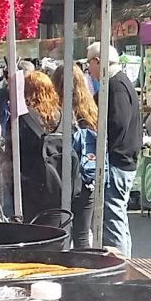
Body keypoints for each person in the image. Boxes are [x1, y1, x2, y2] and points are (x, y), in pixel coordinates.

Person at [86, 43, 143, 256]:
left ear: (98, 61)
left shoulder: (115, 85)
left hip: (117, 160)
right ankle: (123, 260)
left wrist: (104, 150)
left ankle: (120, 263)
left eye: (88, 63)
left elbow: (117, 123)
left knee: (113, 215)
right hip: (121, 159)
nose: (88, 69)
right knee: (115, 214)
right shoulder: (118, 82)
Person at [1, 70, 67, 223]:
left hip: (30, 187)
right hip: (59, 184)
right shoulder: (62, 116)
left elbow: (11, 154)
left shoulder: (21, 119)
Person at [66, 66, 100, 248]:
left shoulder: (58, 110)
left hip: (67, 177)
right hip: (88, 178)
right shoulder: (91, 108)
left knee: (63, 234)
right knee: (82, 235)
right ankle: (84, 272)